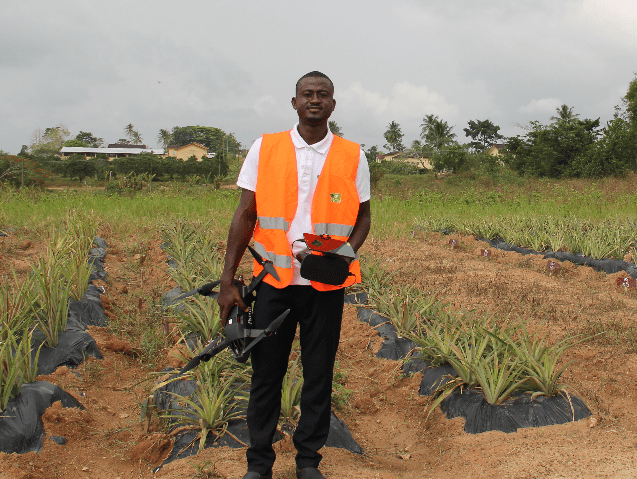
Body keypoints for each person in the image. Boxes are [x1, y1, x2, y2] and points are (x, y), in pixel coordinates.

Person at [217, 71, 371, 479]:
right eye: (308, 94)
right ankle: (259, 464)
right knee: (266, 374)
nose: (315, 100)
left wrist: (343, 256)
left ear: (333, 105)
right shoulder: (265, 148)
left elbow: (363, 215)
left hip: (324, 286)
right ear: (295, 102)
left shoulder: (353, 154)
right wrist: (228, 280)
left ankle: (307, 462)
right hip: (273, 283)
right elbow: (245, 214)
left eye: (323, 95)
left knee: (319, 375)